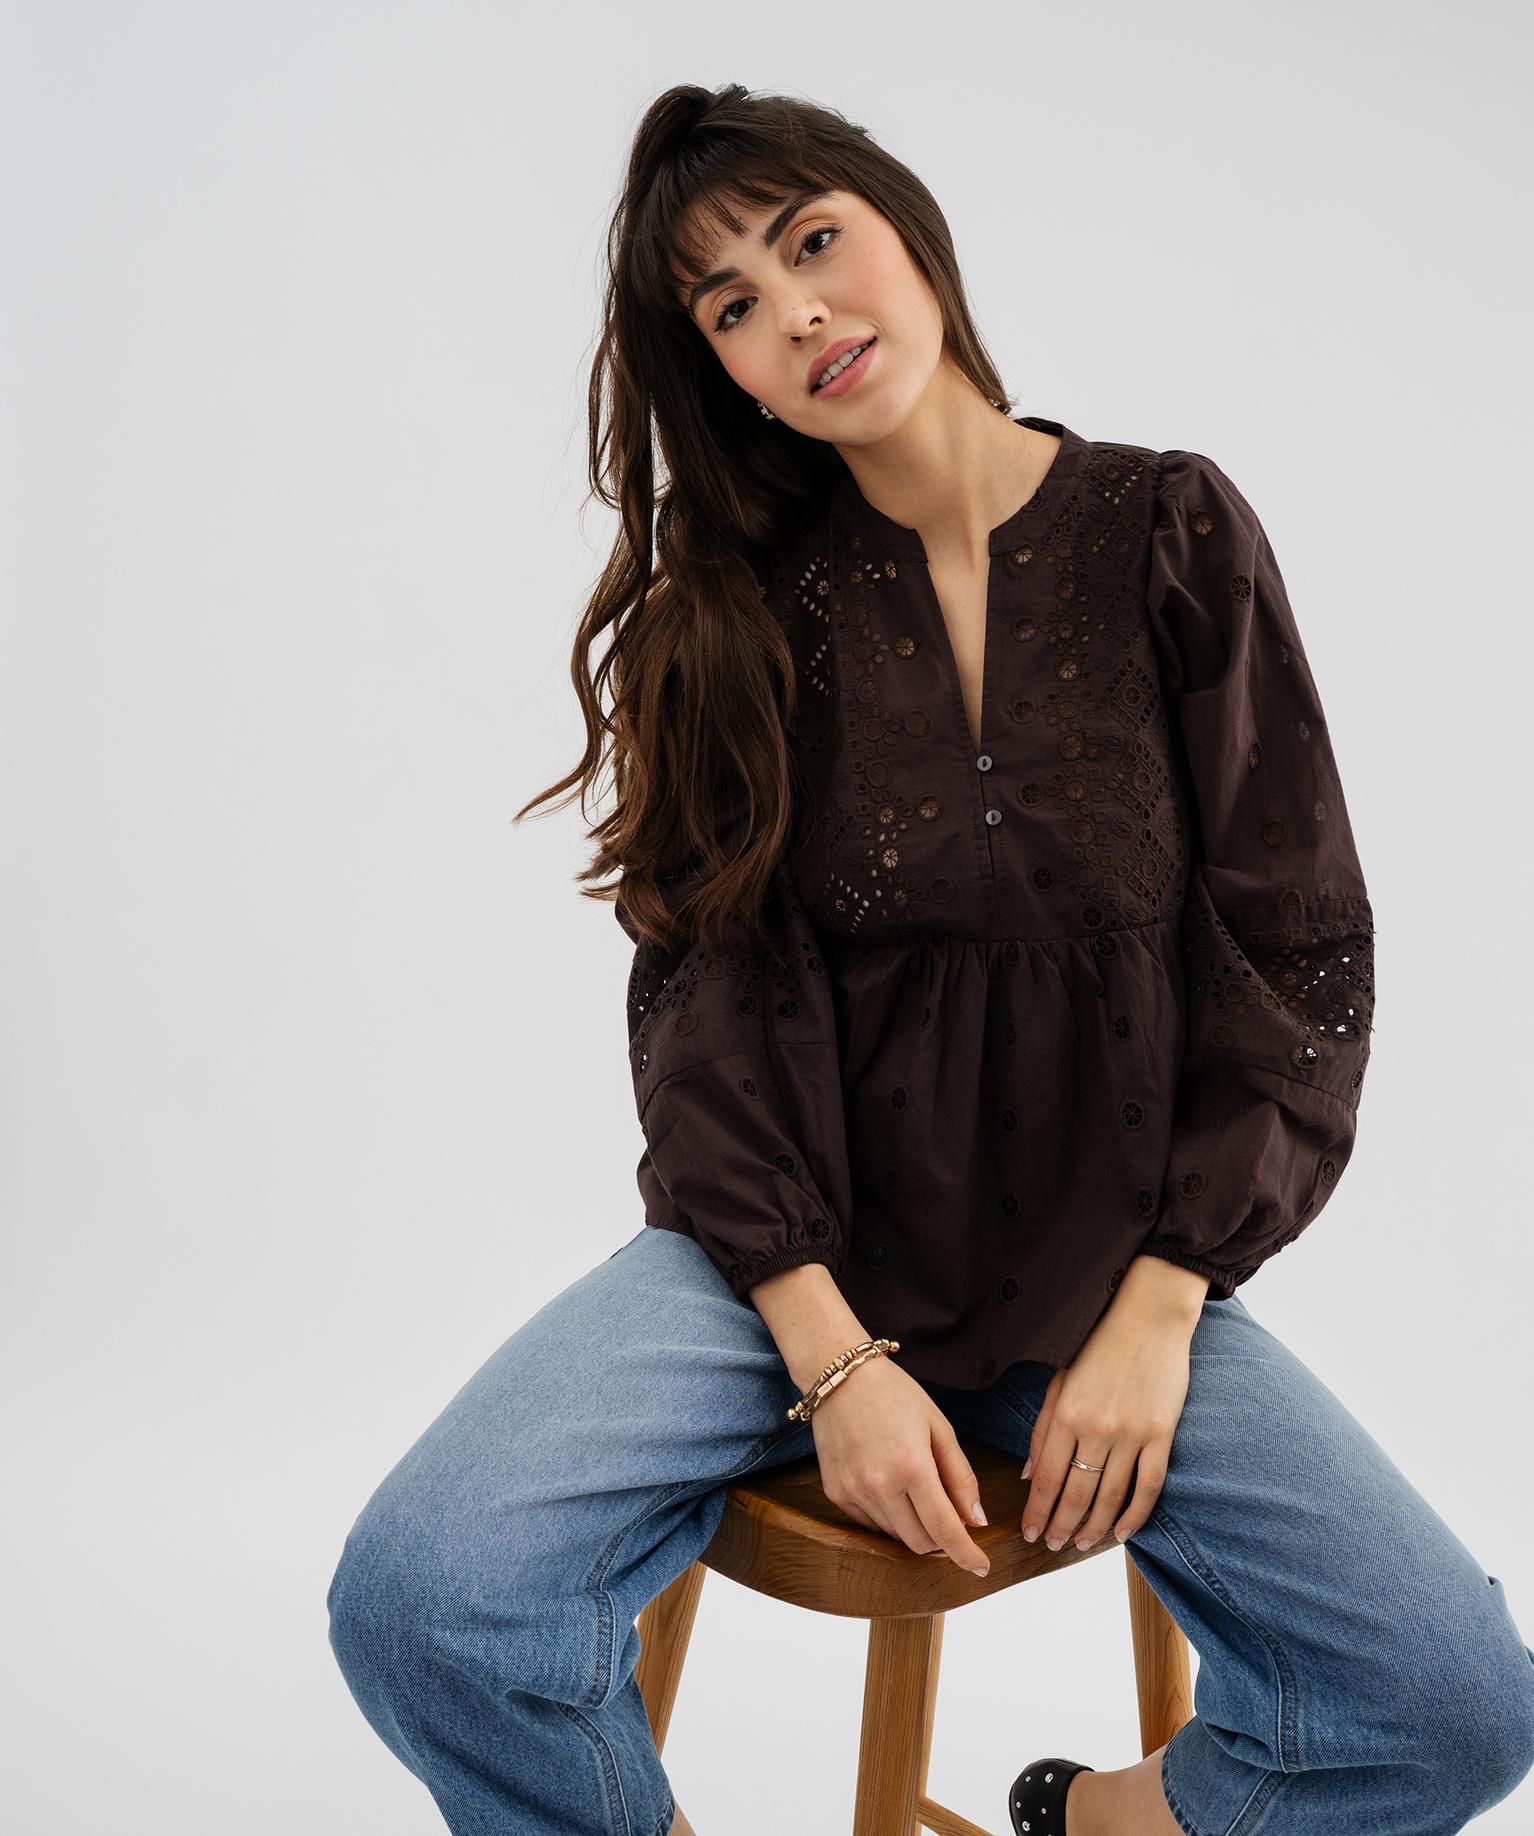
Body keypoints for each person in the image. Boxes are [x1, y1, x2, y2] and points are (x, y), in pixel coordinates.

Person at [325, 83, 1534, 1836]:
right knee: (421, 1596)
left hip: (1102, 1273)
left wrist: (1164, 1302)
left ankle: (1091, 1825)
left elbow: (1296, 944)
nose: (795, 312)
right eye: (732, 305)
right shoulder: (730, 619)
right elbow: (702, 1023)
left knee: (1454, 1705)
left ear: (907, 228)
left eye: (811, 241)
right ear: (725, 377)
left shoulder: (1166, 530)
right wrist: (830, 1357)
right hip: (772, 1279)